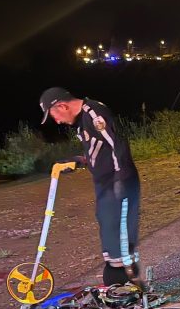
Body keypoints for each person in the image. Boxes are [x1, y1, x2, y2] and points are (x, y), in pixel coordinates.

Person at [39, 87, 140, 285]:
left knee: (117, 233)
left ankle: (122, 284)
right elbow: (99, 149)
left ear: (62, 105)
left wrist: (120, 182)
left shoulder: (93, 114)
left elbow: (116, 146)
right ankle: (121, 284)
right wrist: (79, 160)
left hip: (117, 182)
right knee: (108, 229)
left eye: (54, 116)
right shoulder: (80, 122)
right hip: (105, 183)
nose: (57, 121)